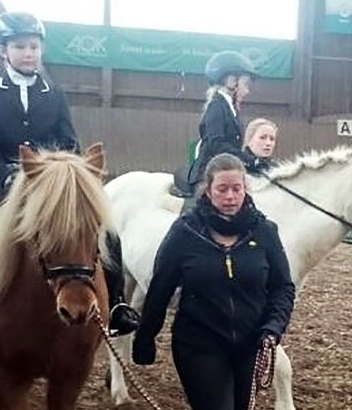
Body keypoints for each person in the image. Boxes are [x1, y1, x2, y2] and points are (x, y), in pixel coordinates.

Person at [0, 11, 138, 348]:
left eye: (33, 46)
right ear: (4, 51)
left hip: (52, 187)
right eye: (20, 47)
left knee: (108, 235)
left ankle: (116, 306)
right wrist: (7, 174)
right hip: (5, 185)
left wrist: (68, 170)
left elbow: (68, 139)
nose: (28, 53)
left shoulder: (54, 92)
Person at [132, 153, 296, 410]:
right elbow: (160, 287)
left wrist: (273, 328)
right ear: (207, 191)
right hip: (199, 344)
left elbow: (282, 287)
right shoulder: (185, 232)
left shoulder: (265, 232)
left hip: (251, 344)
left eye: (236, 189)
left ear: (245, 189)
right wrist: (145, 337)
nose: (230, 196)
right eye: (222, 189)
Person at [187, 50, 260, 194]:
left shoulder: (231, 108)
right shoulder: (216, 106)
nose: (247, 91)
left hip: (226, 169)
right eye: (246, 84)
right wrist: (249, 160)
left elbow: (232, 145)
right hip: (209, 173)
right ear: (231, 81)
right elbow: (217, 144)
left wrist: (252, 159)